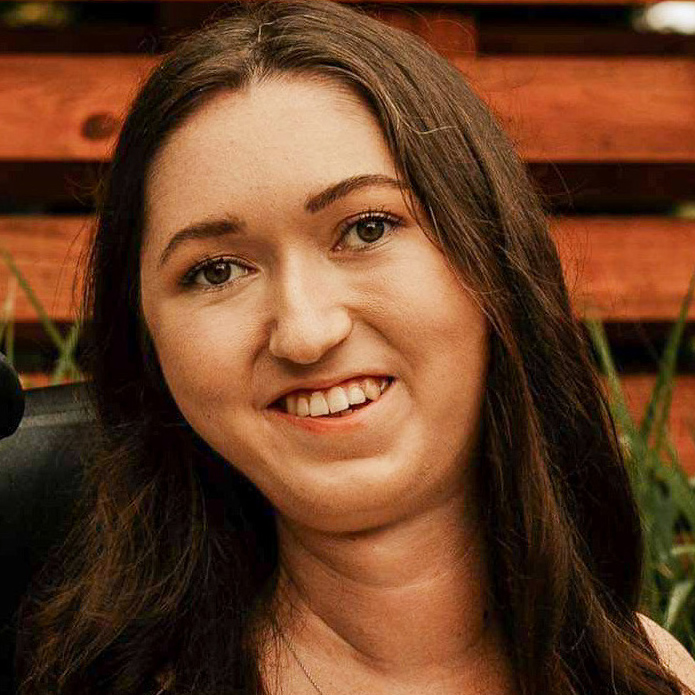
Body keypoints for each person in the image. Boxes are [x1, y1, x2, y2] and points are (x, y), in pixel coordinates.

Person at [14, 1, 695, 693]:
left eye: (367, 228)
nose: (305, 333)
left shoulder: (645, 671)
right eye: (216, 270)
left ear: (495, 256)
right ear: (148, 343)